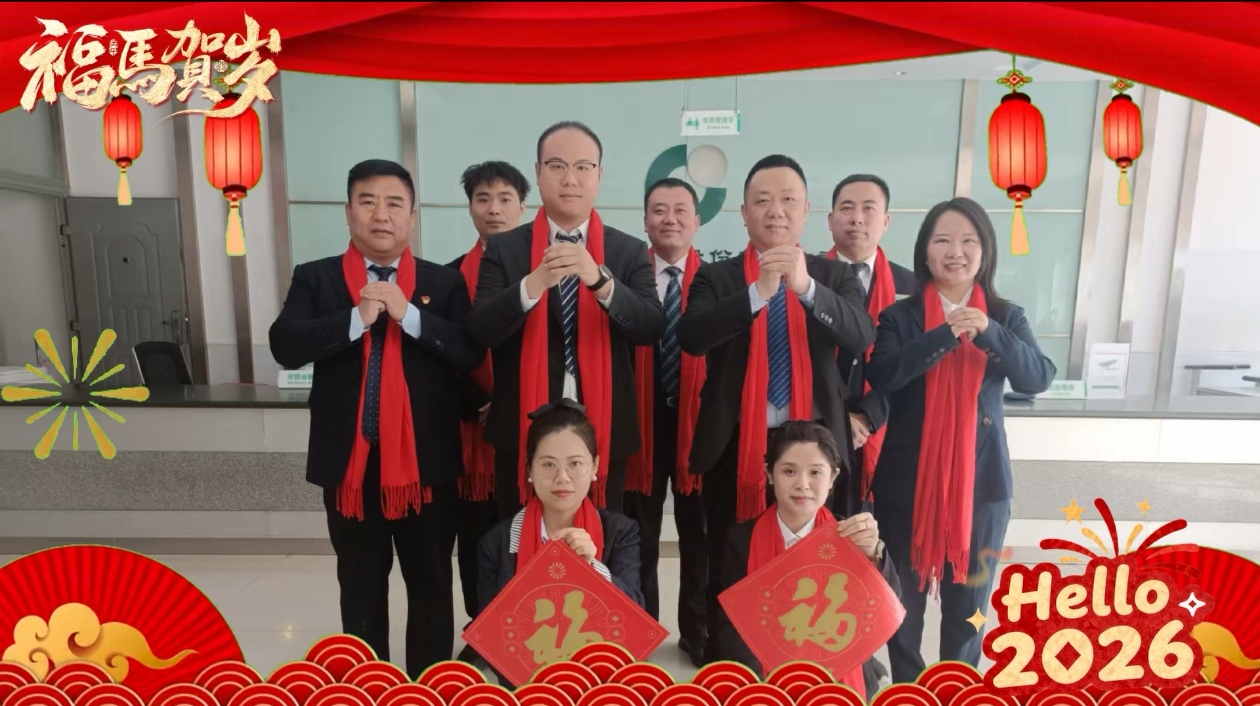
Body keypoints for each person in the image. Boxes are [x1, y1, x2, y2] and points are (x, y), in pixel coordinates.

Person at [268, 159, 484, 679]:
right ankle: (368, 685)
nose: (381, 215)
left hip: (426, 469)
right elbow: (285, 345)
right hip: (350, 466)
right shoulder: (316, 277)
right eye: (367, 202)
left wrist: (409, 315)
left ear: (412, 216)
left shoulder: (443, 282)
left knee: (431, 585)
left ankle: (430, 686)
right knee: (360, 585)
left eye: (394, 204)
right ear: (348, 212)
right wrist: (356, 318)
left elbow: (467, 350)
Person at [676, 154, 877, 663]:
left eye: (788, 200)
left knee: (817, 564)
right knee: (730, 565)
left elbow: (860, 334)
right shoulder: (716, 277)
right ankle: (730, 667)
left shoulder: (833, 274)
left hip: (815, 453)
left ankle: (809, 660)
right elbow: (693, 337)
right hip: (735, 450)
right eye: (762, 201)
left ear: (806, 210)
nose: (776, 210)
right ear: (744, 213)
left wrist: (805, 288)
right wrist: (757, 293)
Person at [865, 197, 1056, 682]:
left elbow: (1037, 377)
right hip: (907, 485)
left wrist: (989, 331)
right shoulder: (899, 317)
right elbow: (883, 375)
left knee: (969, 608)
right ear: (925, 251)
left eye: (969, 241)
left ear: (984, 251)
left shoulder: (1006, 315)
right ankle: (909, 686)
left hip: (982, 486)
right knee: (901, 605)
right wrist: (944, 334)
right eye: (943, 241)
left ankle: (957, 686)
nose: (956, 252)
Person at [466, 120, 665, 519]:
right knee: (521, 539)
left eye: (582, 167)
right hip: (522, 423)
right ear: (538, 172)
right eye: (557, 166)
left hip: (604, 425)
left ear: (599, 174)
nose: (570, 179)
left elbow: (650, 326)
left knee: (598, 540)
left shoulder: (627, 250)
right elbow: (480, 329)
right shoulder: (505, 249)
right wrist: (533, 284)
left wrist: (600, 281)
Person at [712, 421, 900, 700]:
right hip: (766, 679)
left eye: (815, 472)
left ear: (833, 477)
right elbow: (733, 628)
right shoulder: (741, 540)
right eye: (789, 471)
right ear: (769, 473)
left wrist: (873, 552)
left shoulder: (849, 536)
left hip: (839, 674)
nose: (802, 484)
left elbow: (888, 606)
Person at [476, 400, 645, 688]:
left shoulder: (620, 532)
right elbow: (490, 638)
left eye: (575, 464)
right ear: (529, 470)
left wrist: (592, 567)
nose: (562, 477)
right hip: (525, 688)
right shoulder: (497, 543)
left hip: (600, 684)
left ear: (595, 467)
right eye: (548, 465)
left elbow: (636, 617)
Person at [622, 177, 710, 668]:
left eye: (680, 210)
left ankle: (697, 633)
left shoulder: (715, 282)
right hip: (641, 423)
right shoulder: (626, 279)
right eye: (659, 210)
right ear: (645, 221)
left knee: (700, 537)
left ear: (697, 221)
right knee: (638, 536)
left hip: (700, 424)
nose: (669, 219)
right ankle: (640, 632)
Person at [447, 160, 530, 667]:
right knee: (478, 536)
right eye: (483, 199)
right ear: (471, 207)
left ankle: (525, 629)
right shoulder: (449, 276)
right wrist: (479, 402)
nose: (494, 209)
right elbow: (446, 352)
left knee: (528, 532)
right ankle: (481, 630)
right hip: (471, 428)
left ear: (524, 206)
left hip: (531, 428)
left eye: (504, 199)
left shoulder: (542, 267)